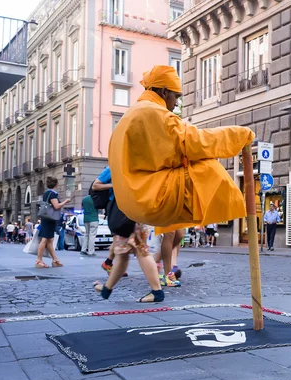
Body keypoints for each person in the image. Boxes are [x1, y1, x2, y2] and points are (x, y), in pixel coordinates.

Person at [108, 64, 254, 236]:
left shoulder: (131, 115)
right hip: (150, 198)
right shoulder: (155, 113)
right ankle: (230, 208)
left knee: (192, 161)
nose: (176, 103)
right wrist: (239, 135)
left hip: (129, 201)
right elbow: (196, 142)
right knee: (207, 167)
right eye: (176, 97)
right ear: (164, 92)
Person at [92, 167, 126, 277]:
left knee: (122, 237)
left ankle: (109, 263)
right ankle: (113, 266)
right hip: (114, 205)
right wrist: (113, 185)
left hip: (125, 205)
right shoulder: (111, 168)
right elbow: (95, 185)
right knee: (119, 237)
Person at [35, 177, 70, 268]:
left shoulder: (47, 193)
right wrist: (65, 202)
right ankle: (39, 260)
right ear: (56, 185)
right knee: (45, 239)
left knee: (50, 240)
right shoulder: (53, 194)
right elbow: (56, 206)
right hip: (50, 219)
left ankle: (55, 259)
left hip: (47, 218)